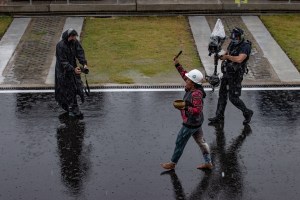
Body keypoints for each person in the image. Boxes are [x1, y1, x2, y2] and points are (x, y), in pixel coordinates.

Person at [160, 57, 213, 170]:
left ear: (193, 83)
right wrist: (177, 65)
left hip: (190, 124)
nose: (186, 80)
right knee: (201, 142)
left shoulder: (196, 94)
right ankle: (208, 163)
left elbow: (197, 110)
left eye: (188, 80)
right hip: (197, 123)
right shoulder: (194, 86)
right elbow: (185, 75)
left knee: (180, 142)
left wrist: (185, 107)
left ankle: (173, 163)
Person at [208, 27, 253, 125]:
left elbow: (240, 59)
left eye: (235, 38)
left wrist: (227, 57)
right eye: (233, 38)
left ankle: (247, 112)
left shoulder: (245, 46)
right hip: (227, 73)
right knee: (222, 96)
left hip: (236, 76)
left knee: (233, 98)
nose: (234, 40)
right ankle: (219, 116)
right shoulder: (232, 43)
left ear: (240, 37)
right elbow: (227, 53)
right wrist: (220, 56)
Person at [55, 28, 89, 118]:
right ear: (68, 36)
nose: (74, 38)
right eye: (73, 37)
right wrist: (72, 69)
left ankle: (71, 105)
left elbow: (80, 53)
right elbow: (62, 61)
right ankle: (74, 108)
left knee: (77, 85)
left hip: (73, 67)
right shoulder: (60, 46)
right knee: (68, 89)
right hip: (63, 71)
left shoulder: (74, 42)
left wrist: (84, 64)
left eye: (75, 37)